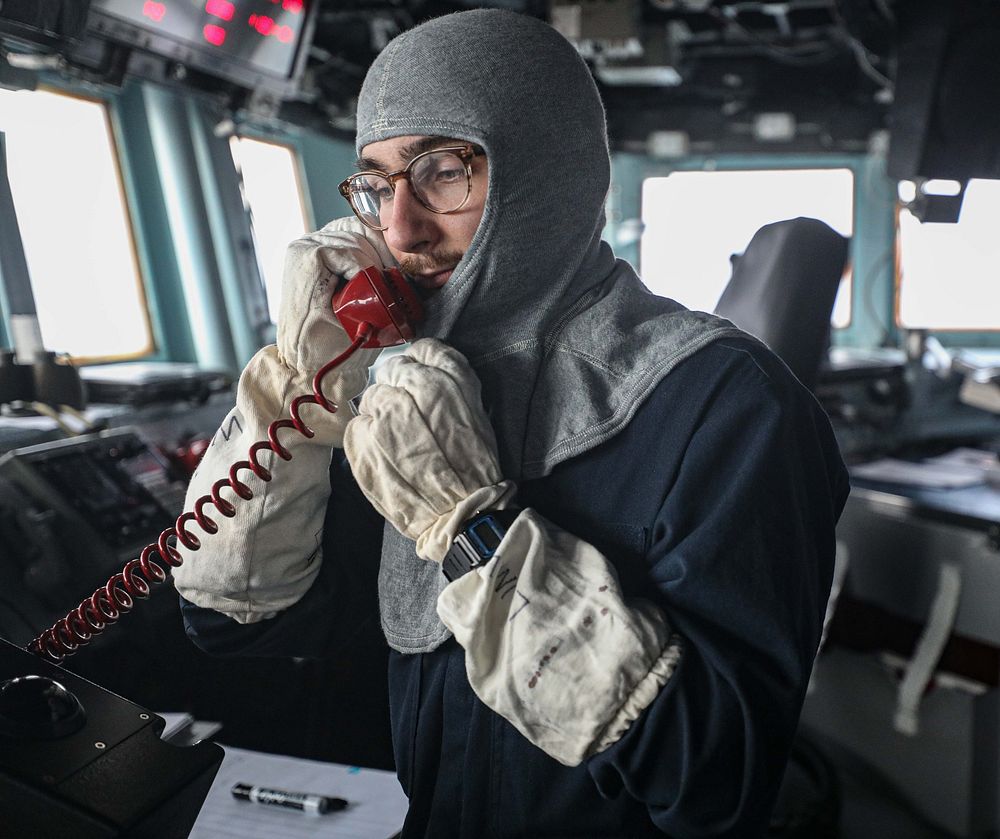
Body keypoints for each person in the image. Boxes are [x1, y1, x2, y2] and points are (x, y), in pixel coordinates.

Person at [173, 8, 849, 837]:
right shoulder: (410, 386)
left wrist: (473, 530)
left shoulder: (731, 405)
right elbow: (233, 624)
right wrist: (300, 388)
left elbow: (717, 776)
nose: (399, 227)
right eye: (378, 185)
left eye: (443, 171)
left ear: (548, 169)